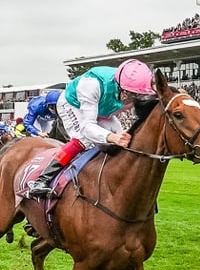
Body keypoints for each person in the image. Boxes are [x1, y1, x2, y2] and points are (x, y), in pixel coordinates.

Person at [27, 58, 155, 198]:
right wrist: (112, 137)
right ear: (119, 84)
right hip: (72, 103)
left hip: (101, 108)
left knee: (124, 142)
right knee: (84, 140)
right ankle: (42, 179)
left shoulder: (139, 87)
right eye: (129, 93)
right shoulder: (92, 84)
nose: (131, 99)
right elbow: (87, 126)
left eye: (137, 95)